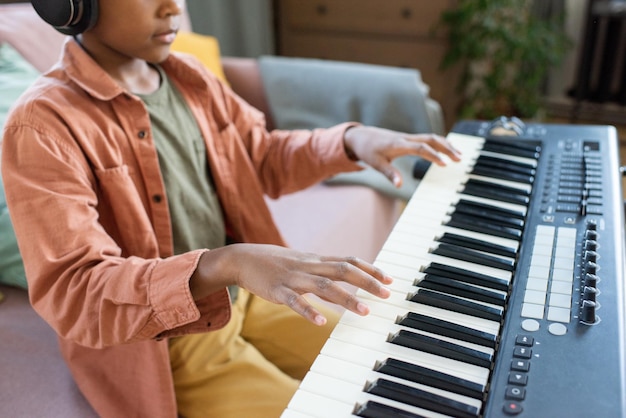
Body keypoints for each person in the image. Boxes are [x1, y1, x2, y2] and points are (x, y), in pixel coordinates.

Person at [1, 1, 461, 417]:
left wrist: (349, 142)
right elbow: (76, 290)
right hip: (167, 348)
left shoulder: (188, 77)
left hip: (249, 300)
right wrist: (229, 262)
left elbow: (258, 156)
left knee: (390, 362)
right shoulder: (41, 127)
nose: (172, 8)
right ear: (74, 6)